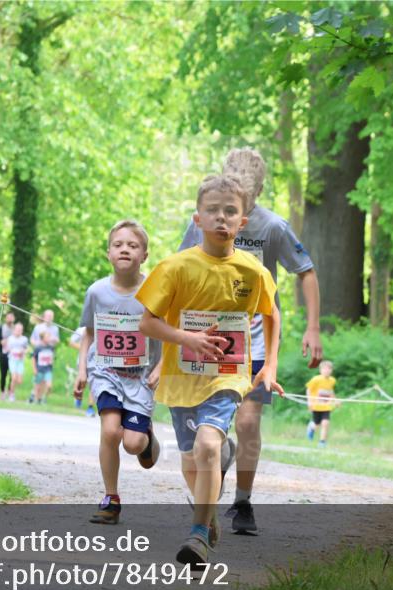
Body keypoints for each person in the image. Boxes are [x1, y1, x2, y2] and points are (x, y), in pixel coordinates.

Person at [138, 174, 281, 567]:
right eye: (213, 211)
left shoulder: (253, 272)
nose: (221, 218)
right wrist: (188, 339)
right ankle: (209, 514)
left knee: (206, 447)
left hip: (228, 375)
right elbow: (147, 322)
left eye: (230, 212)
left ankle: (198, 536)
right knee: (191, 461)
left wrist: (268, 364)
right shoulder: (174, 268)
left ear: (242, 223)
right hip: (183, 377)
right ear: (196, 219)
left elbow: (272, 314)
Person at [177, 148, 321, 535]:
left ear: (255, 197)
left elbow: (305, 271)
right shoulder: (203, 221)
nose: (229, 214)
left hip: (254, 342)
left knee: (249, 420)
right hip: (209, 340)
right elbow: (178, 275)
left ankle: (242, 502)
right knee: (211, 432)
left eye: (243, 201)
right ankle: (216, 465)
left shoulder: (273, 227)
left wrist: (313, 328)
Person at [74, 220, 163, 525]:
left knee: (133, 444)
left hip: (140, 378)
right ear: (108, 253)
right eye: (118, 244)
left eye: (133, 245)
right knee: (111, 431)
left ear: (145, 255)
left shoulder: (154, 290)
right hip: (106, 371)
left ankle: (147, 437)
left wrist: (163, 366)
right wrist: (82, 368)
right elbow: (88, 331)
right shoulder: (97, 292)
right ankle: (111, 499)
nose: (125, 249)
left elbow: (169, 333)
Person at [305, 360, 336, 448]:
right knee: (316, 424)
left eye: (329, 369)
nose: (327, 371)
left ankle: (322, 442)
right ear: (320, 370)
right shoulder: (316, 379)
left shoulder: (332, 380)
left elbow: (330, 391)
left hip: (326, 407)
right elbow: (308, 389)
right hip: (316, 406)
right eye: (325, 369)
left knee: (325, 423)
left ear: (331, 370)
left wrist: (335, 400)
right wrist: (309, 402)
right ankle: (311, 428)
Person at [5, 322, 29, 401]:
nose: (18, 331)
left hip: (20, 361)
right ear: (14, 330)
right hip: (12, 360)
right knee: (14, 377)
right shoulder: (10, 338)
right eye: (17, 329)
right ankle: (11, 394)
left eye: (20, 330)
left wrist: (23, 351)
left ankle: (11, 390)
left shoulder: (24, 339)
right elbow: (7, 349)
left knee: (19, 381)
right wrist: (12, 350)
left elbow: (27, 349)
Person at [0, 312, 16, 400]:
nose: (10, 319)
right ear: (5, 319)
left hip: (13, 355)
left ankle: (10, 391)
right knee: (3, 374)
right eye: (8, 317)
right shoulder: (1, 328)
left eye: (11, 317)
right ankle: (2, 391)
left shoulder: (16, 329)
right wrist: (0, 342)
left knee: (13, 374)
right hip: (3, 354)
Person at [32, 330, 56, 404]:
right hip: (39, 369)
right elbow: (33, 359)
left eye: (49, 337)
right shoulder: (38, 348)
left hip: (48, 370)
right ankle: (37, 399)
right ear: (42, 338)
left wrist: (52, 362)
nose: (49, 338)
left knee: (49, 386)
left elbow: (52, 357)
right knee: (38, 386)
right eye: (47, 337)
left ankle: (44, 398)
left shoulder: (51, 347)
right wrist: (34, 369)